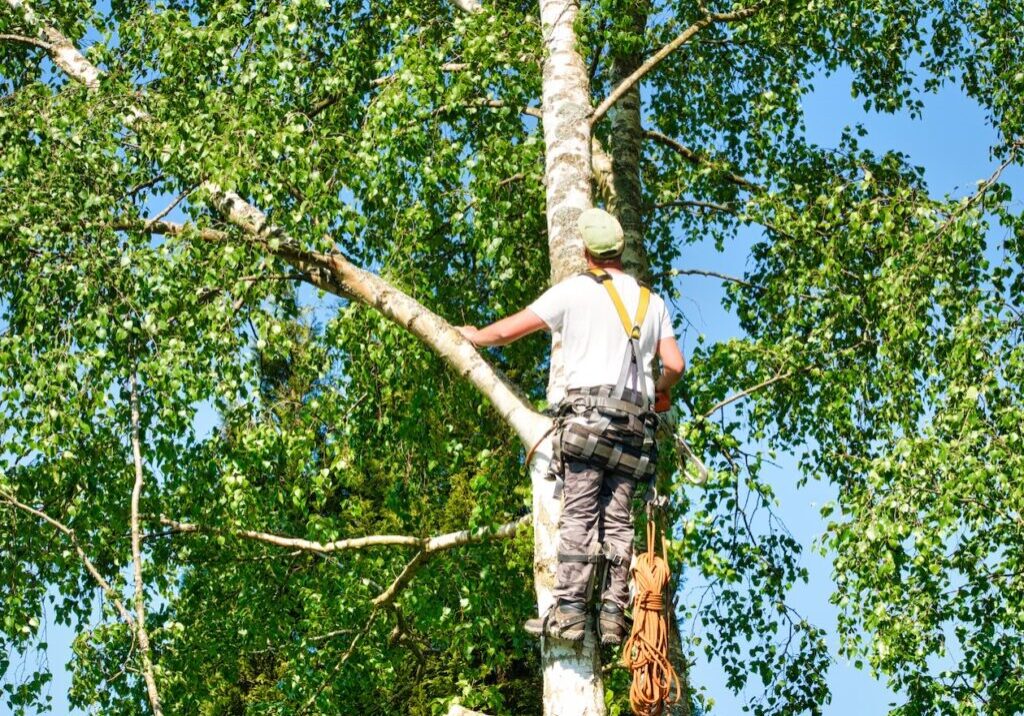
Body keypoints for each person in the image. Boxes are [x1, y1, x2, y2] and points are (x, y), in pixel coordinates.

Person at [457, 208, 685, 645]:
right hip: (634, 432)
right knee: (618, 520)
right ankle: (615, 618)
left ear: (586, 252)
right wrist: (658, 390)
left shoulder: (573, 291)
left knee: (579, 514)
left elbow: (509, 331)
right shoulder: (650, 302)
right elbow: (674, 364)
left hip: (586, 426)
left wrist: (477, 335)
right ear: (619, 251)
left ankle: (571, 616)